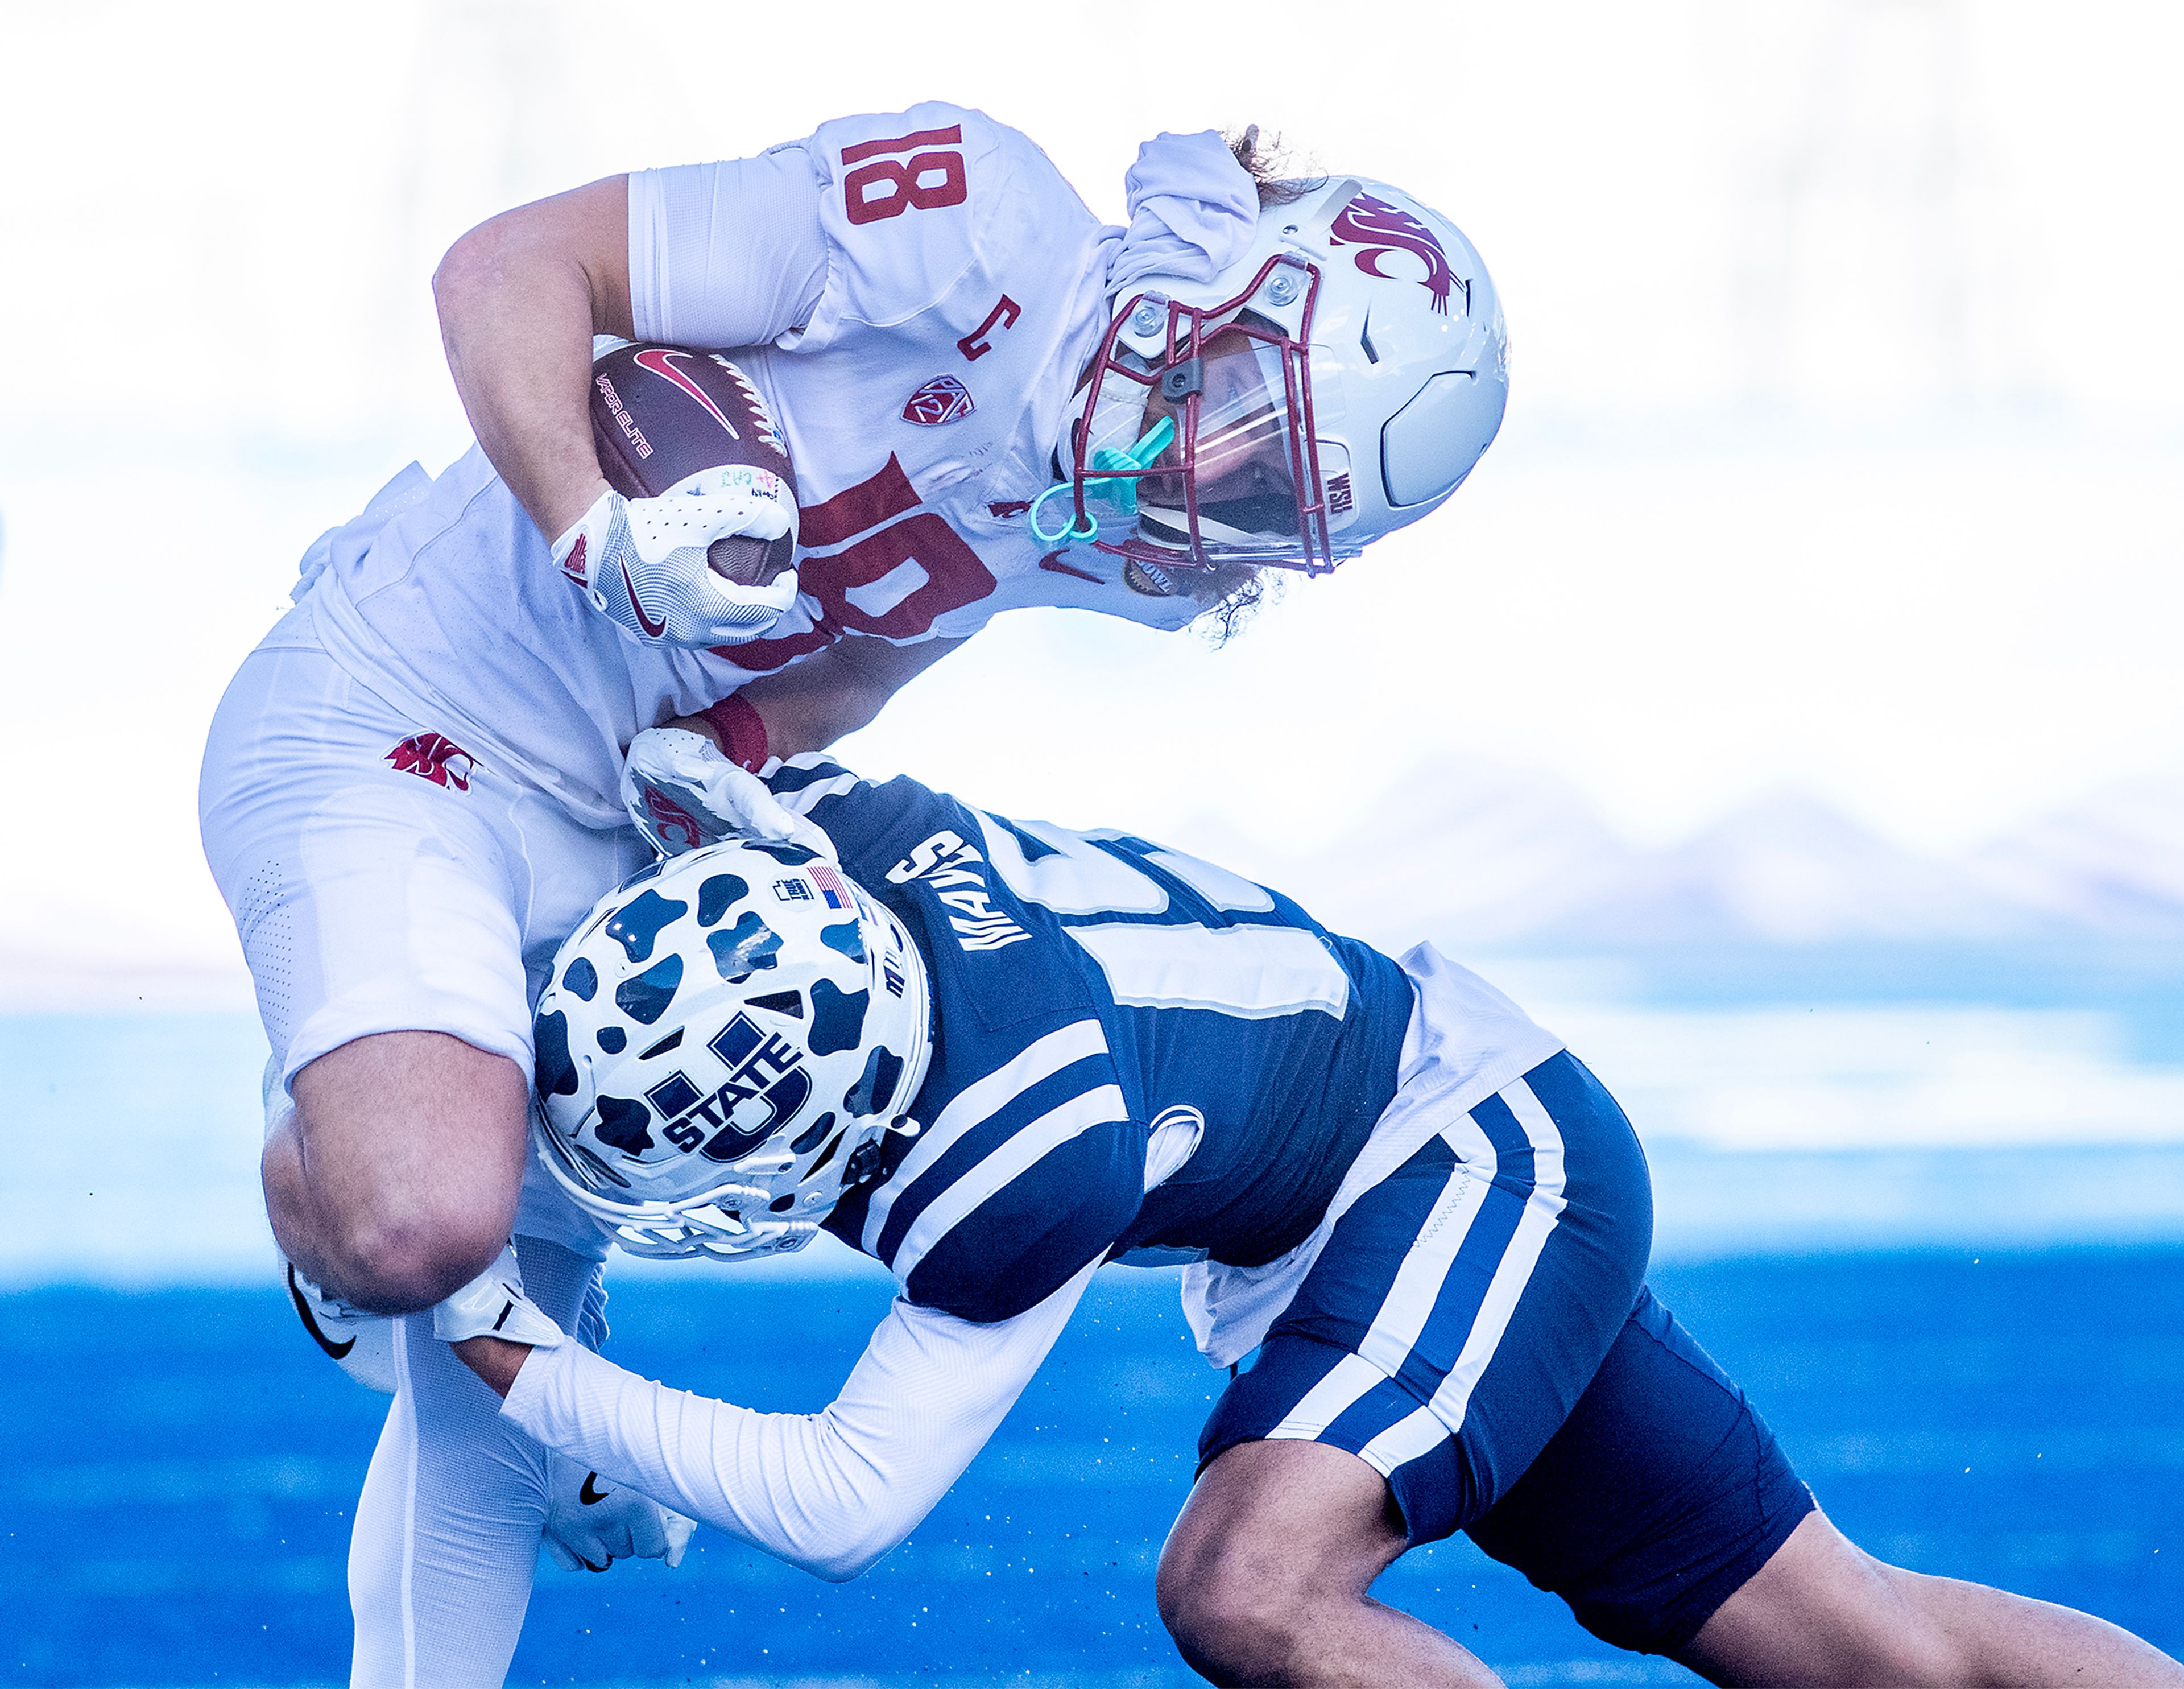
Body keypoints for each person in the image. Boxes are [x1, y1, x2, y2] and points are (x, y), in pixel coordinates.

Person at [370, 719, 2181, 1688]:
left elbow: (842, 1504)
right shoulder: (828, 835)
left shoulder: (1021, 1144)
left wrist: (501, 1336)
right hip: (1437, 1166)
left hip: (1463, 1169)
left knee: (1247, 1583)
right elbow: (706, 779)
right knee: (1869, 1653)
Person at [197, 100, 1512, 1339]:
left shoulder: (1146, 551)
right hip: (407, 697)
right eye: (1237, 416)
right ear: (1239, 278)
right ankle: (332, 1144)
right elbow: (506, 269)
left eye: (1267, 497)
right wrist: (592, 528)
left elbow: (896, 638)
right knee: (421, 1225)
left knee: (671, 1148)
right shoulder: (970, 226)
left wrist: (737, 749)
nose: (1202, 479)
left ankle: (443, 1194)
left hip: (601, 804)